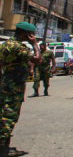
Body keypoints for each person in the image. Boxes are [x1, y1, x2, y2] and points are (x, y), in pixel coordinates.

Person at [0, 22, 41, 156]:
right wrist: (35, 44)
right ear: (26, 34)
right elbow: (37, 60)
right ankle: (2, 149)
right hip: (15, 84)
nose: (33, 36)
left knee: (2, 113)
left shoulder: (4, 45)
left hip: (5, 82)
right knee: (10, 115)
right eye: (31, 35)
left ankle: (5, 147)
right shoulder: (18, 47)